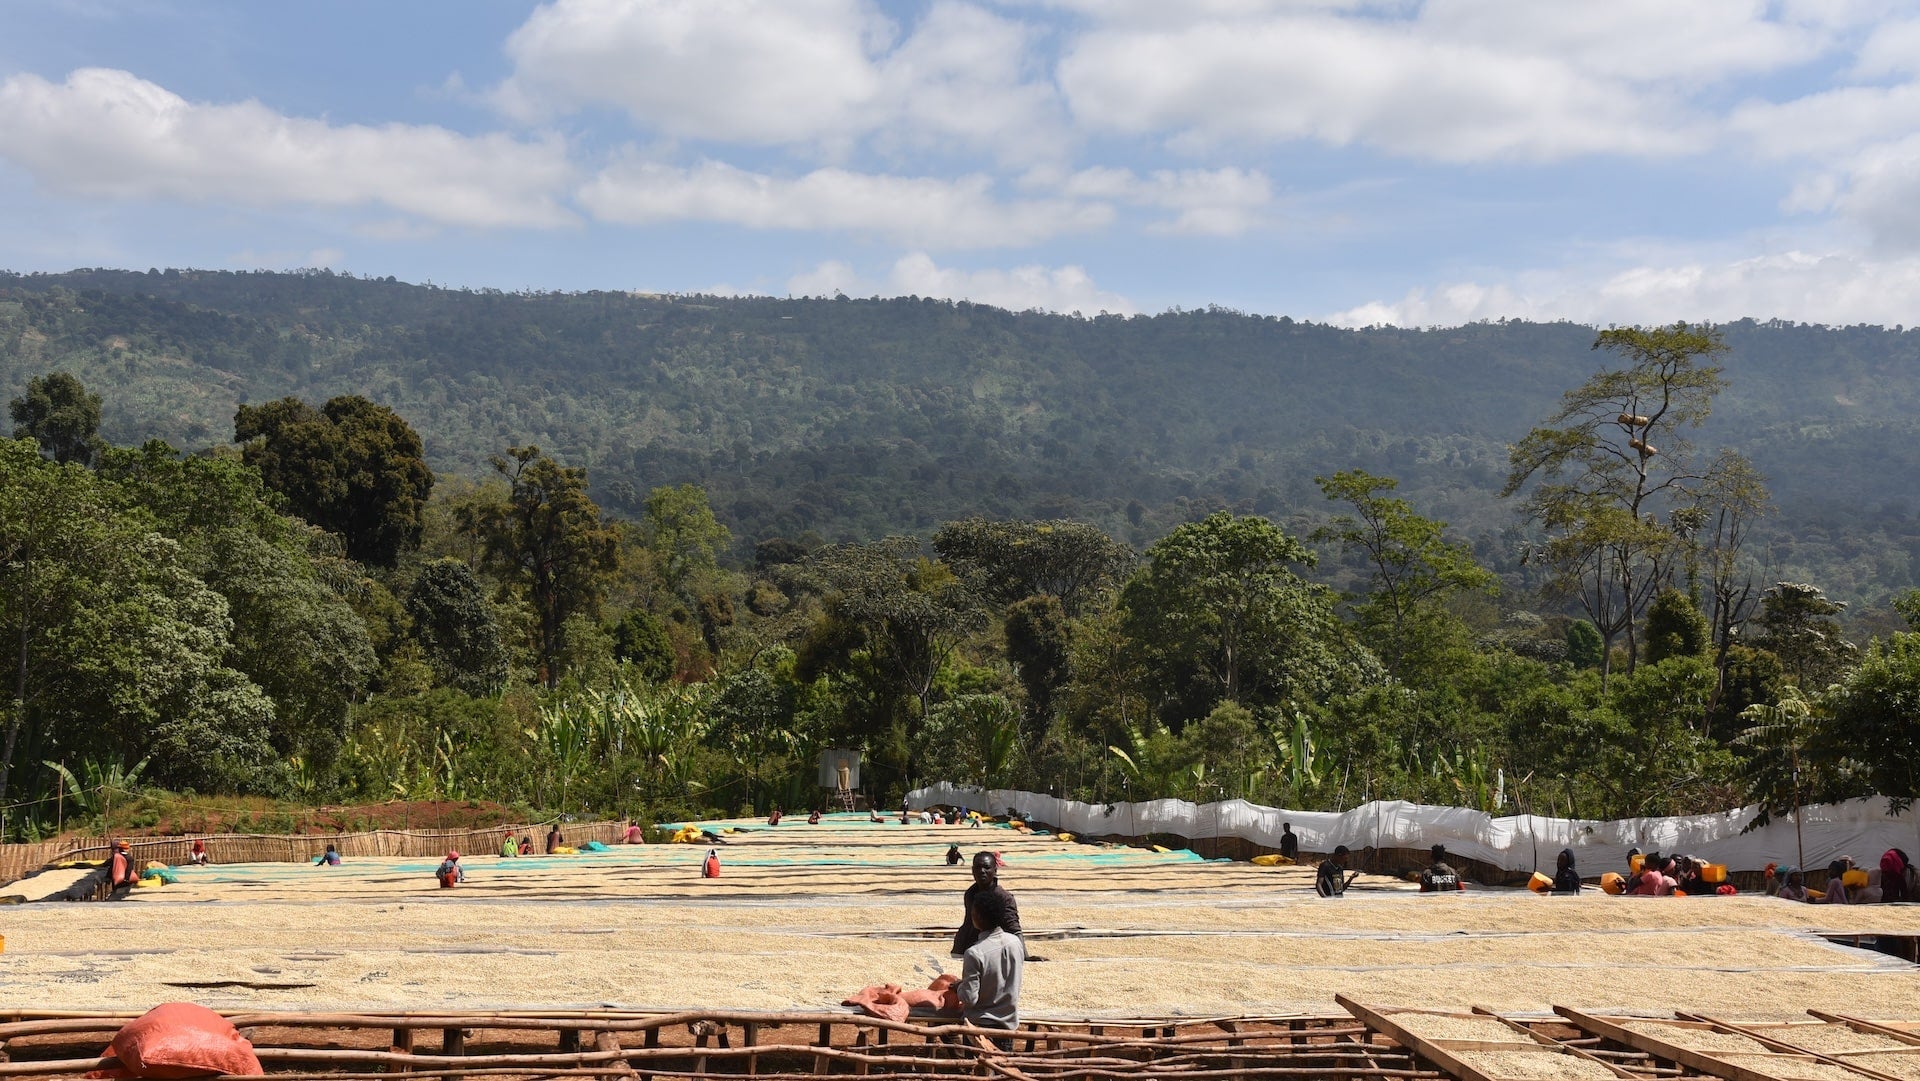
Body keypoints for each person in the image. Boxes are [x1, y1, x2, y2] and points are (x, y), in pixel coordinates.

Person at [955, 890, 1025, 1050]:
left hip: (980, 1026)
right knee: (1002, 1070)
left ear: (978, 916)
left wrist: (959, 987)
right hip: (1007, 1024)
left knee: (978, 1071)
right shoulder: (1015, 943)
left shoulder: (975, 953)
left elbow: (969, 998)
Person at [953, 851, 1022, 955]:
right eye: (978, 867)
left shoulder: (1003, 898)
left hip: (996, 947)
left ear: (995, 870)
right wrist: (958, 948)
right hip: (972, 946)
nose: (982, 871)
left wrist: (1024, 955)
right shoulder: (970, 894)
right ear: (972, 870)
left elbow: (1014, 928)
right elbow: (967, 924)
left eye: (987, 867)